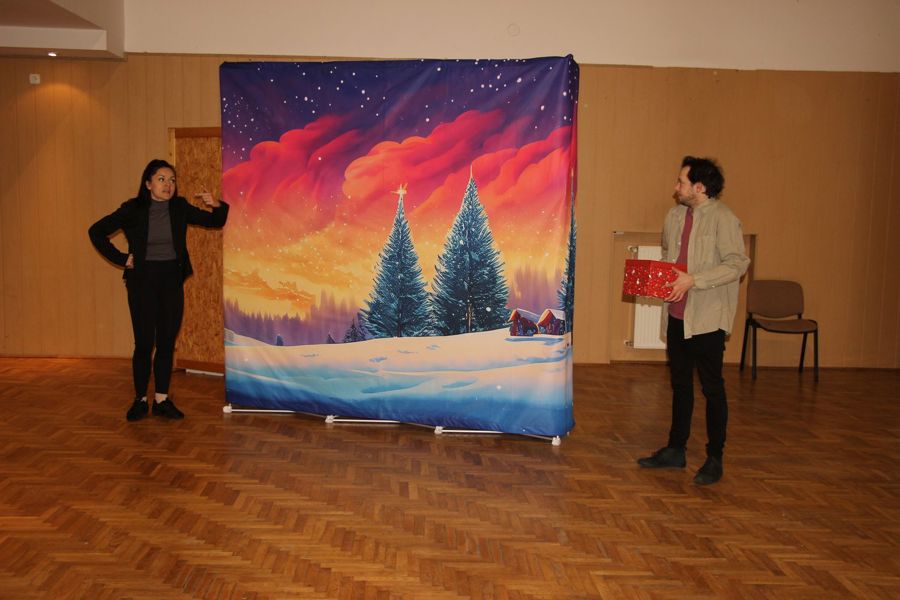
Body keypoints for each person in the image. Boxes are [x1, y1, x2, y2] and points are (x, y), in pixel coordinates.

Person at [637, 156, 750, 485]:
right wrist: (655, 279)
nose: (676, 188)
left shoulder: (724, 219)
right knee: (680, 385)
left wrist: (694, 280)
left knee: (713, 389)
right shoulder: (674, 215)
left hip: (707, 319)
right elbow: (669, 256)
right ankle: (676, 449)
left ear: (699, 187)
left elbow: (737, 264)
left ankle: (715, 457)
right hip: (677, 314)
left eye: (681, 182)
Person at [89, 159, 229, 421]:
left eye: (172, 180)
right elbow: (96, 231)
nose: (168, 185)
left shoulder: (179, 207)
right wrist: (122, 258)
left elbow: (215, 221)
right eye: (161, 179)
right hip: (142, 282)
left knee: (166, 342)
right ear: (148, 183)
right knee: (144, 343)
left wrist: (216, 204)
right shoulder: (133, 209)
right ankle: (140, 400)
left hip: (171, 281)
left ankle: (162, 400)